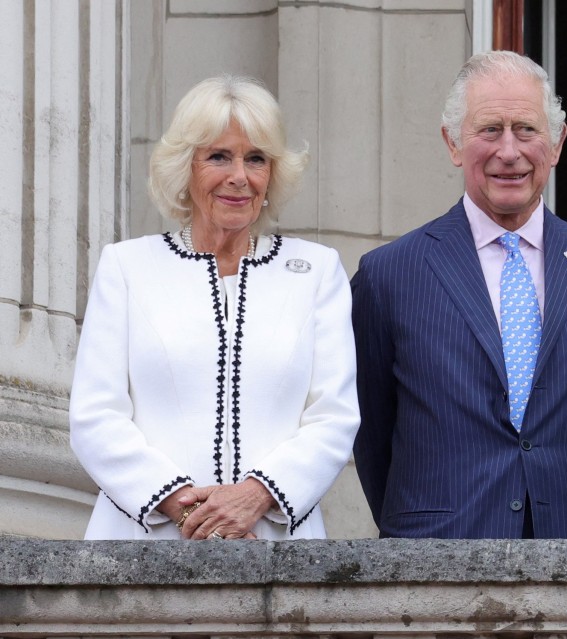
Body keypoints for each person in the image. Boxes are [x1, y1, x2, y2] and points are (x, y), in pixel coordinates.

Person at [351, 51, 567, 639]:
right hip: (434, 580)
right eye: (489, 130)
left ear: (558, 142)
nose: (509, 151)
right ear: (453, 143)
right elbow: (372, 434)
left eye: (526, 130)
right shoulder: (389, 275)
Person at [69, 74, 359, 543]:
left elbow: (335, 416)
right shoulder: (127, 267)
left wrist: (254, 497)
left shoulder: (318, 272)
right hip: (145, 547)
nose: (239, 177)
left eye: (256, 158)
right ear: (187, 167)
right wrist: (192, 515)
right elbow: (94, 417)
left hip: (275, 546)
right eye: (219, 156)